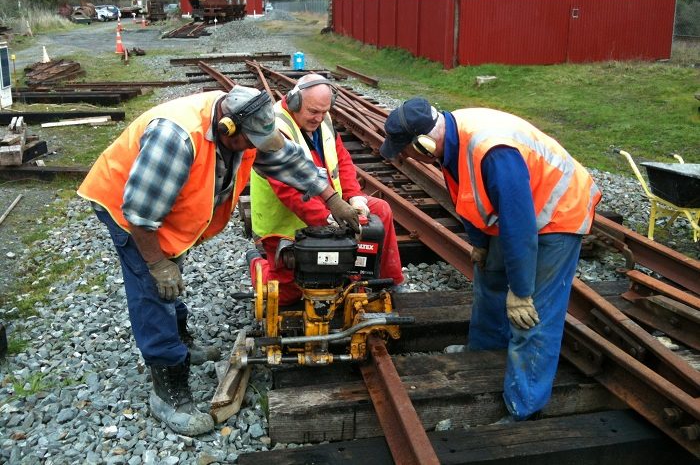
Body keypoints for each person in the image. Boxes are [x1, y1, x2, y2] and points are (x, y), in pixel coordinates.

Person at [77, 86, 359, 436]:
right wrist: (157, 263)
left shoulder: (247, 124)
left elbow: (288, 159)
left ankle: (181, 341)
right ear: (227, 128)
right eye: (250, 140)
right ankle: (167, 390)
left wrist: (332, 199)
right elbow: (139, 214)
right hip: (127, 207)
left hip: (162, 203)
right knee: (155, 287)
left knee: (172, 270)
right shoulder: (177, 138)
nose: (256, 146)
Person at [379, 98, 601, 422]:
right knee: (489, 277)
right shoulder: (451, 140)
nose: (403, 156)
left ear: (424, 144)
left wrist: (522, 291)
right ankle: (483, 354)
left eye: (404, 150)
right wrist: (480, 243)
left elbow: (519, 226)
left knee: (532, 314)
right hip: (520, 210)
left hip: (557, 213)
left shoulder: (493, 152)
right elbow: (466, 193)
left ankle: (524, 407)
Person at [249, 74, 404, 306]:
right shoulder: (276, 130)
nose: (319, 118)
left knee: (379, 210)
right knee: (286, 295)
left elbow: (341, 160)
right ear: (294, 102)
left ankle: (384, 281)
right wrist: (330, 222)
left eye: (323, 112)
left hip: (331, 208)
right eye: (313, 111)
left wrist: (353, 197)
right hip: (287, 225)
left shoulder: (323, 119)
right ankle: (255, 262)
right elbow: (289, 191)